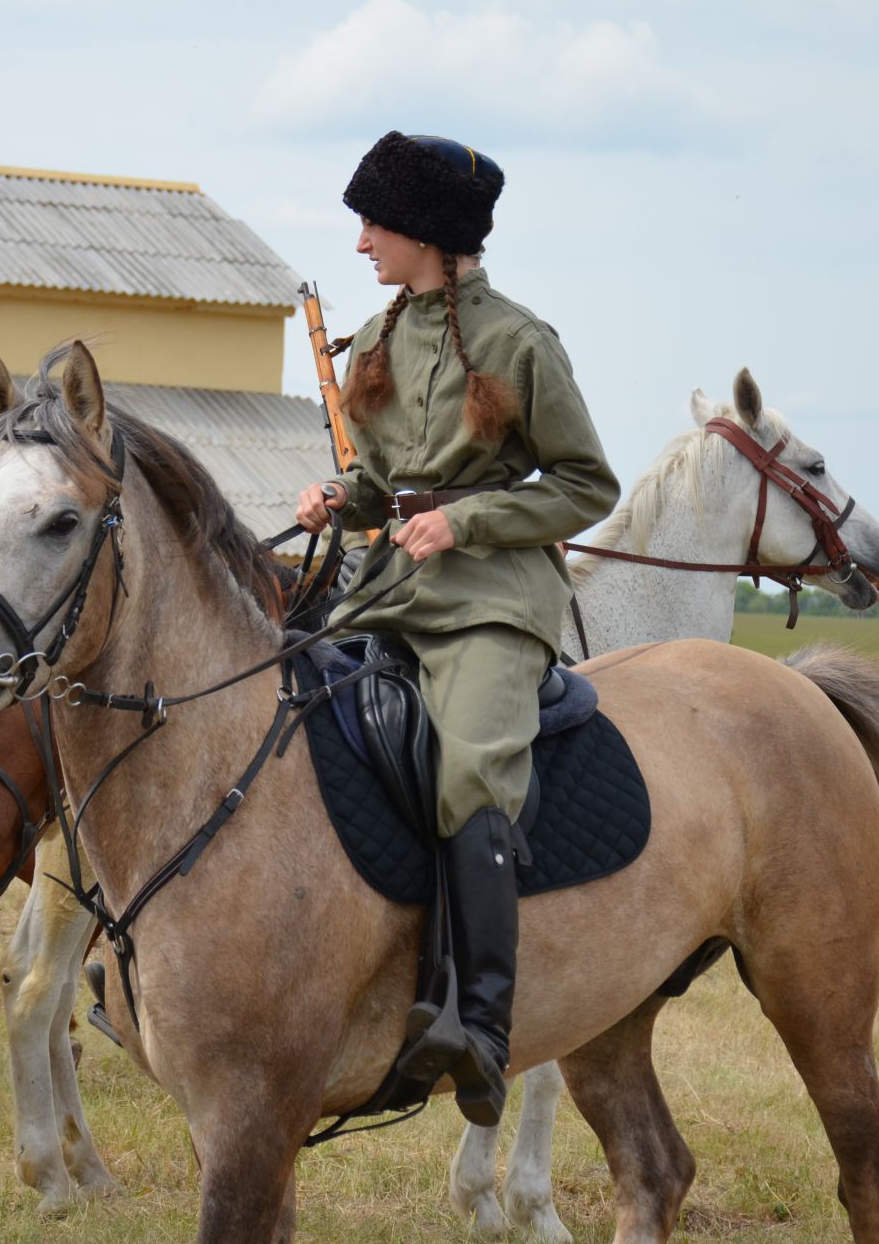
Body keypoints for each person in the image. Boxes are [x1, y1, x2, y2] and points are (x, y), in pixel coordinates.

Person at [294, 132, 620, 1126]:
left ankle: (481, 1031)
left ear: (430, 235)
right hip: (390, 589)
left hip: (492, 599)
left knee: (472, 766)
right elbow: (379, 481)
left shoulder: (524, 342)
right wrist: (337, 502)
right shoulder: (378, 338)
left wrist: (468, 519)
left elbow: (586, 486)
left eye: (375, 225)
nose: (361, 246)